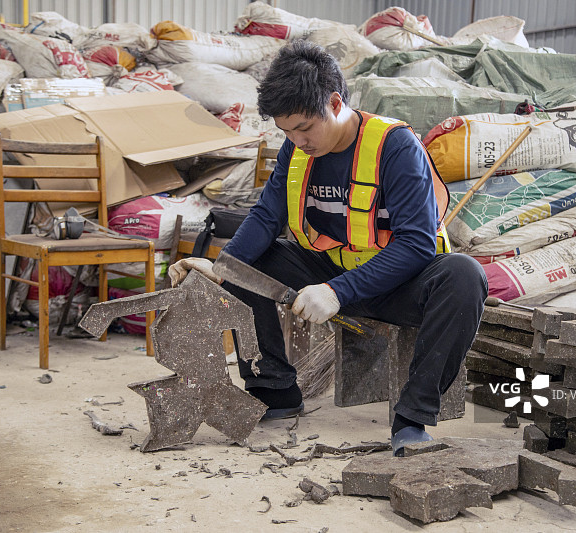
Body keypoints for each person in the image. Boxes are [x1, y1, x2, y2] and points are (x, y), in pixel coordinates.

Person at [169, 40, 487, 456]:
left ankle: (412, 420)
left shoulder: (395, 146)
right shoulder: (296, 151)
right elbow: (267, 217)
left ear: (335, 102)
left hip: (399, 285)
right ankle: (275, 391)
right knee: (245, 262)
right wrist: (218, 268)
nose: (297, 139)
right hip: (329, 273)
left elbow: (417, 243)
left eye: (304, 127)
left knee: (464, 275)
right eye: (286, 131)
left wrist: (339, 292)